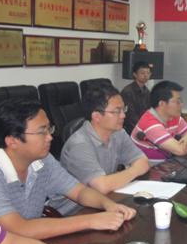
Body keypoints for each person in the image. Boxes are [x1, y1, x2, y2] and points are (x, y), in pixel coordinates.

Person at [0, 99, 136, 244]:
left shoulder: (42, 160)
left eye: (49, 129)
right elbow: (19, 228)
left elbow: (79, 191)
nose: (50, 137)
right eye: (42, 132)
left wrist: (108, 205)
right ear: (13, 141)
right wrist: (91, 221)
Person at [54, 85, 149, 213]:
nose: (123, 115)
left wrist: (120, 177)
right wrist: (135, 170)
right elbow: (102, 186)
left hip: (105, 200)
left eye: (123, 109)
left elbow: (143, 162)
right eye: (117, 111)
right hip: (73, 211)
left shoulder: (118, 133)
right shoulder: (79, 145)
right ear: (97, 116)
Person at [132, 81, 187, 161]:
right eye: (177, 102)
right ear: (162, 104)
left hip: (165, 163)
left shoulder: (174, 117)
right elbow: (180, 150)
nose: (182, 105)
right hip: (146, 166)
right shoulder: (150, 123)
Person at [121, 61, 151, 135]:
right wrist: (142, 129)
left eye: (148, 73)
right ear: (135, 74)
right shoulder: (127, 92)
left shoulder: (147, 91)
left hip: (143, 128)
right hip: (131, 130)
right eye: (142, 73)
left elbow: (149, 111)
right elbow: (129, 116)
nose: (146, 75)